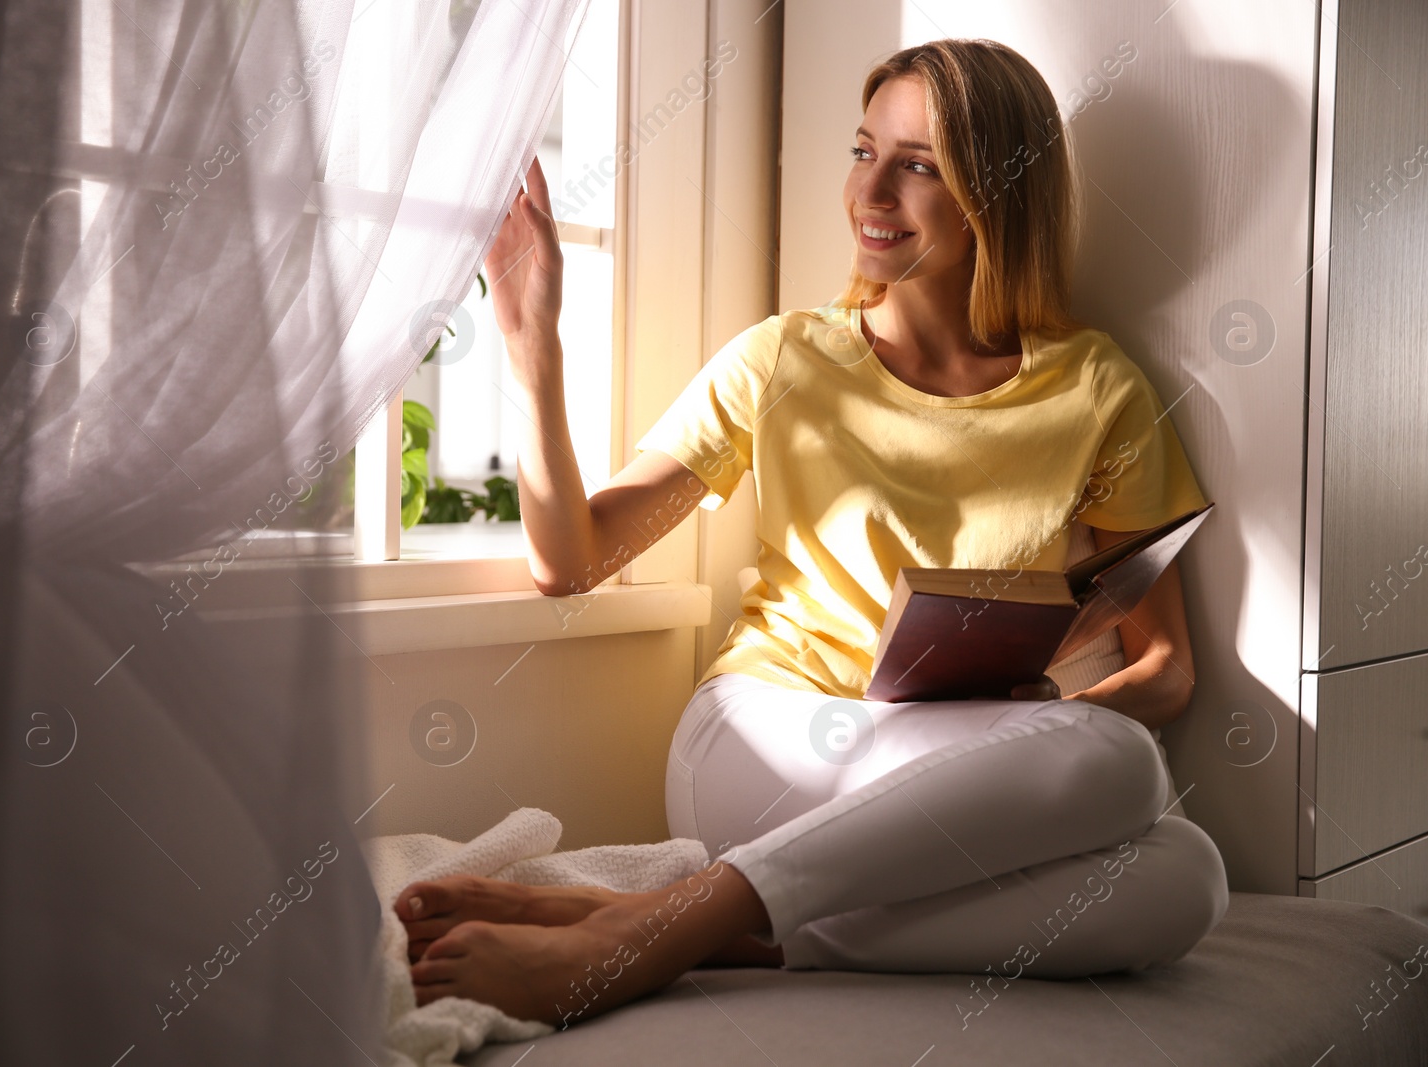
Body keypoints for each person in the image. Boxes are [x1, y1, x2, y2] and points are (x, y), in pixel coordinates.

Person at [398, 38, 1229, 1027]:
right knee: (1124, 770)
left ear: (997, 194)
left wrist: (1039, 707)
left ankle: (664, 915)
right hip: (770, 736)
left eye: (917, 165)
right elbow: (569, 561)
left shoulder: (1095, 384)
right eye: (862, 150)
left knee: (1184, 874)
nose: (870, 191)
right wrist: (533, 345)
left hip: (946, 756)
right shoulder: (782, 357)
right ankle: (628, 942)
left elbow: (1166, 668)